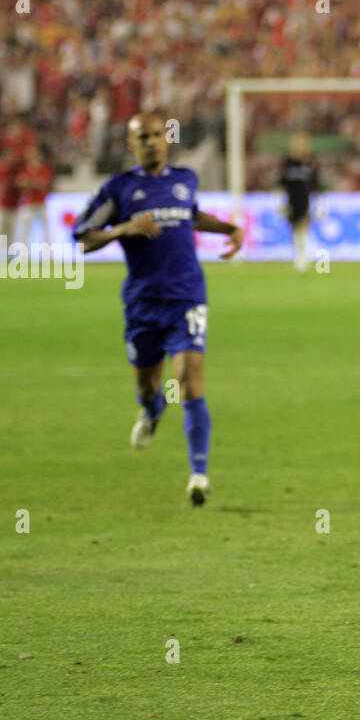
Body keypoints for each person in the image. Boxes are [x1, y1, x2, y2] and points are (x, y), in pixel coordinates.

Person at [74, 112, 244, 506]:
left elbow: (190, 216)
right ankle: (151, 411)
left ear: (166, 140)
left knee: (190, 379)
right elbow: (82, 238)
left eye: (156, 135)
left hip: (187, 296)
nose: (151, 141)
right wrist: (122, 229)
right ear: (131, 144)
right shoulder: (119, 189)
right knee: (148, 386)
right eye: (142, 137)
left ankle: (199, 475)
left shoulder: (185, 180)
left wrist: (228, 229)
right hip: (142, 304)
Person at [278, 131, 319, 272]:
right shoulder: (288, 162)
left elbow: (315, 184)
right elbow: (282, 183)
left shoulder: (310, 162)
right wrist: (280, 202)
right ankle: (298, 255)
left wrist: (319, 203)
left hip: (305, 199)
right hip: (291, 200)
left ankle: (303, 257)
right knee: (294, 229)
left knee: (303, 228)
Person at [14, 143, 53, 245]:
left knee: (45, 229)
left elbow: (43, 184)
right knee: (25, 230)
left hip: (41, 202)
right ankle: (23, 253)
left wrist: (30, 183)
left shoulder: (44, 168)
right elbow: (20, 183)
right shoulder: (25, 168)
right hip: (29, 202)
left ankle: (48, 253)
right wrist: (34, 183)